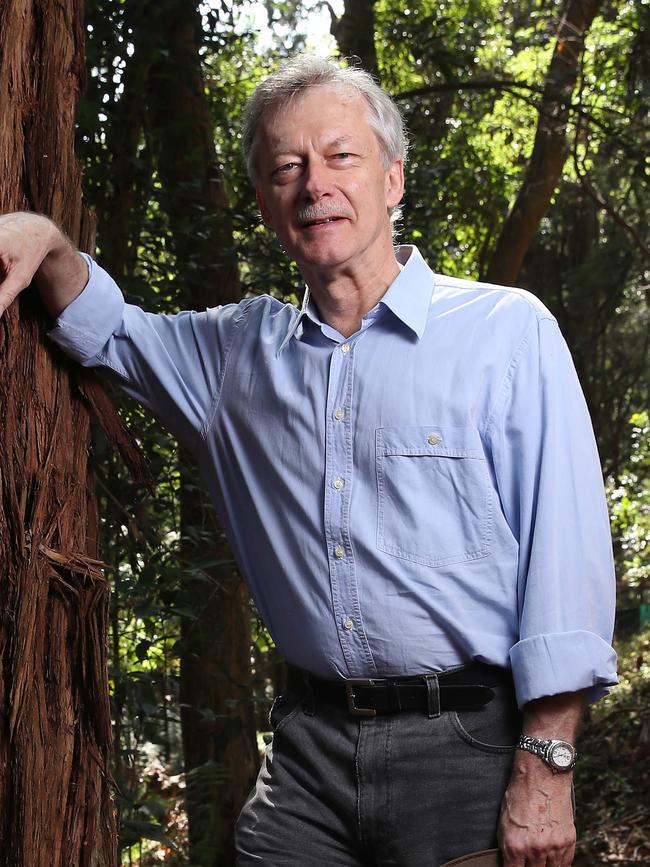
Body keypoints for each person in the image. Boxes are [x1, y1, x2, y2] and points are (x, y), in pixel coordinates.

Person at [0, 55, 617, 867]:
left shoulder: (506, 331)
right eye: (286, 168)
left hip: (469, 747)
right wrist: (44, 239)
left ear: (392, 179)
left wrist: (547, 766)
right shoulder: (232, 357)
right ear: (265, 204)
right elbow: (107, 330)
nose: (313, 183)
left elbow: (565, 560)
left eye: (340, 156)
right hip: (306, 759)